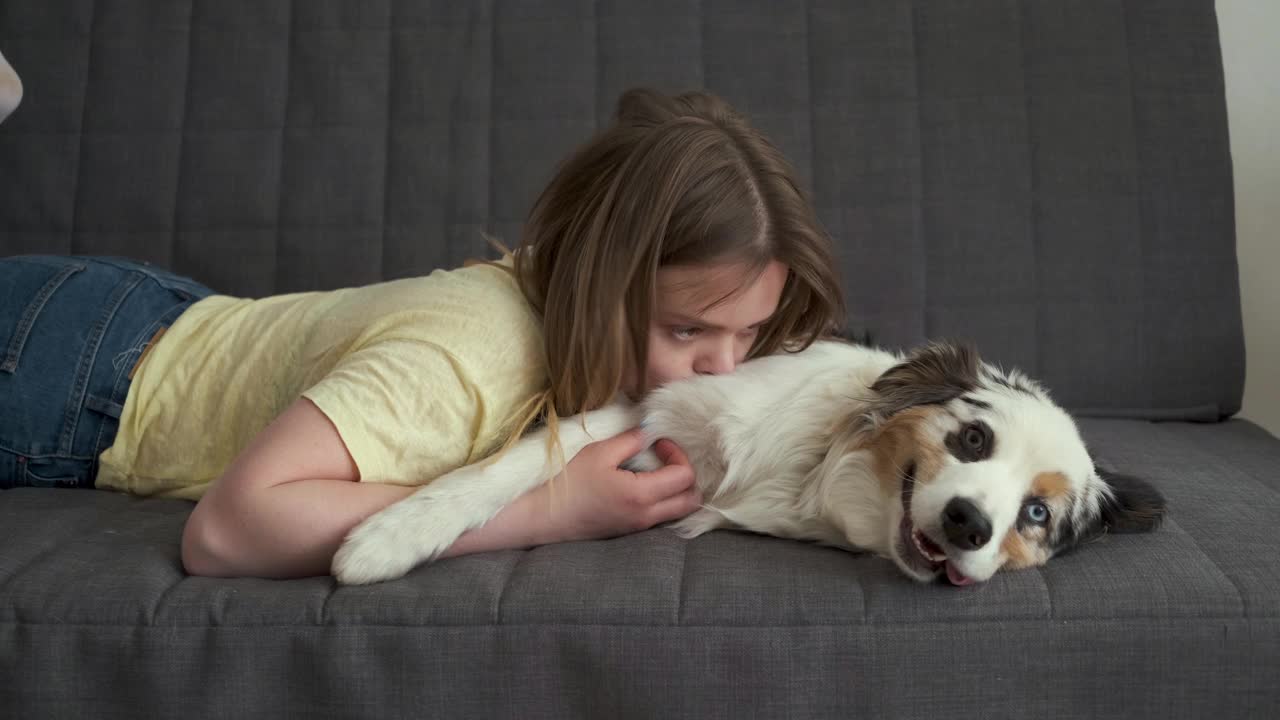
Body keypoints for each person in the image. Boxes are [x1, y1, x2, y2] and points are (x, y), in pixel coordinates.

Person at [0, 87, 844, 579]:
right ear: (598, 282)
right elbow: (225, 531)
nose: (722, 365)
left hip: (154, 319)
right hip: (66, 380)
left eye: (750, 334)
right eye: (689, 328)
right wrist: (550, 508)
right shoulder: (464, 360)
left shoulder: (584, 318)